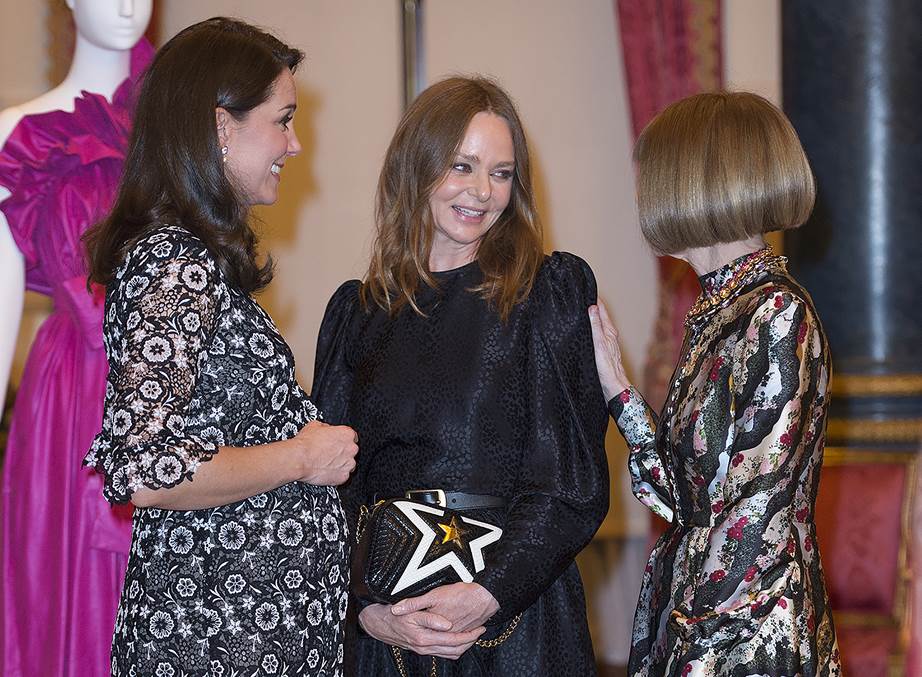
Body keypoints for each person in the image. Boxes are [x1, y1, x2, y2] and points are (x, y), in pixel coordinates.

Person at [82, 18, 358, 676]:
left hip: (238, 639)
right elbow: (148, 469)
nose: (295, 144)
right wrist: (301, 456)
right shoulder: (174, 263)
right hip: (213, 642)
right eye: (282, 120)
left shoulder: (187, 260)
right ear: (222, 126)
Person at [312, 76, 610, 676]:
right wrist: (367, 610)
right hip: (386, 634)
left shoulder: (547, 293)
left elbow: (572, 486)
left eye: (501, 173)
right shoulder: (356, 312)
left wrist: (484, 598)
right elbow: (327, 494)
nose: (483, 192)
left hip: (514, 629)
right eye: (462, 166)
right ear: (415, 169)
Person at [588, 91, 841, 676]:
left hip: (749, 642)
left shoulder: (776, 313)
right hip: (703, 626)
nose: (639, 196)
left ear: (692, 182)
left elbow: (753, 519)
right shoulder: (720, 312)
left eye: (649, 177)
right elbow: (680, 501)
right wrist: (617, 385)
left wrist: (689, 647)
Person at [0, 0, 152, 673]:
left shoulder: (181, 123)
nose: (123, 2)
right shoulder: (21, 133)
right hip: (68, 404)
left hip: (172, 395)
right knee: (63, 609)